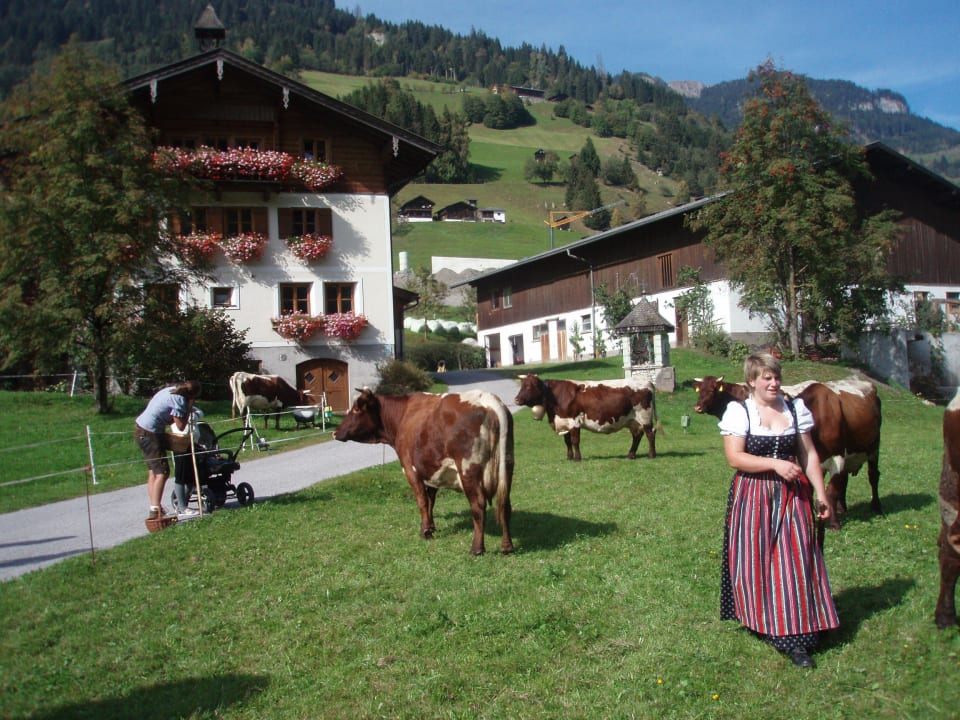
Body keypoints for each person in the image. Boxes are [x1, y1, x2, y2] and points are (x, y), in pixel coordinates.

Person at [718, 354, 838, 668]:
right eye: (766, 378)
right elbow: (735, 458)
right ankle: (762, 618)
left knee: (795, 557)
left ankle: (795, 635)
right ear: (752, 381)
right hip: (753, 495)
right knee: (756, 559)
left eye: (776, 377)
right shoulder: (740, 411)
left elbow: (808, 454)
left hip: (793, 495)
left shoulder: (794, 409)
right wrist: (774, 464)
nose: (773, 383)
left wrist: (821, 495)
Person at [134, 381, 202, 522]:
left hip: (141, 429)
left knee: (153, 471)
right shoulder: (179, 400)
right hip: (150, 433)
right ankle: (154, 510)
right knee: (162, 472)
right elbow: (181, 426)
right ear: (192, 396)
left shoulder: (172, 391)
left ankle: (156, 506)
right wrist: (189, 409)